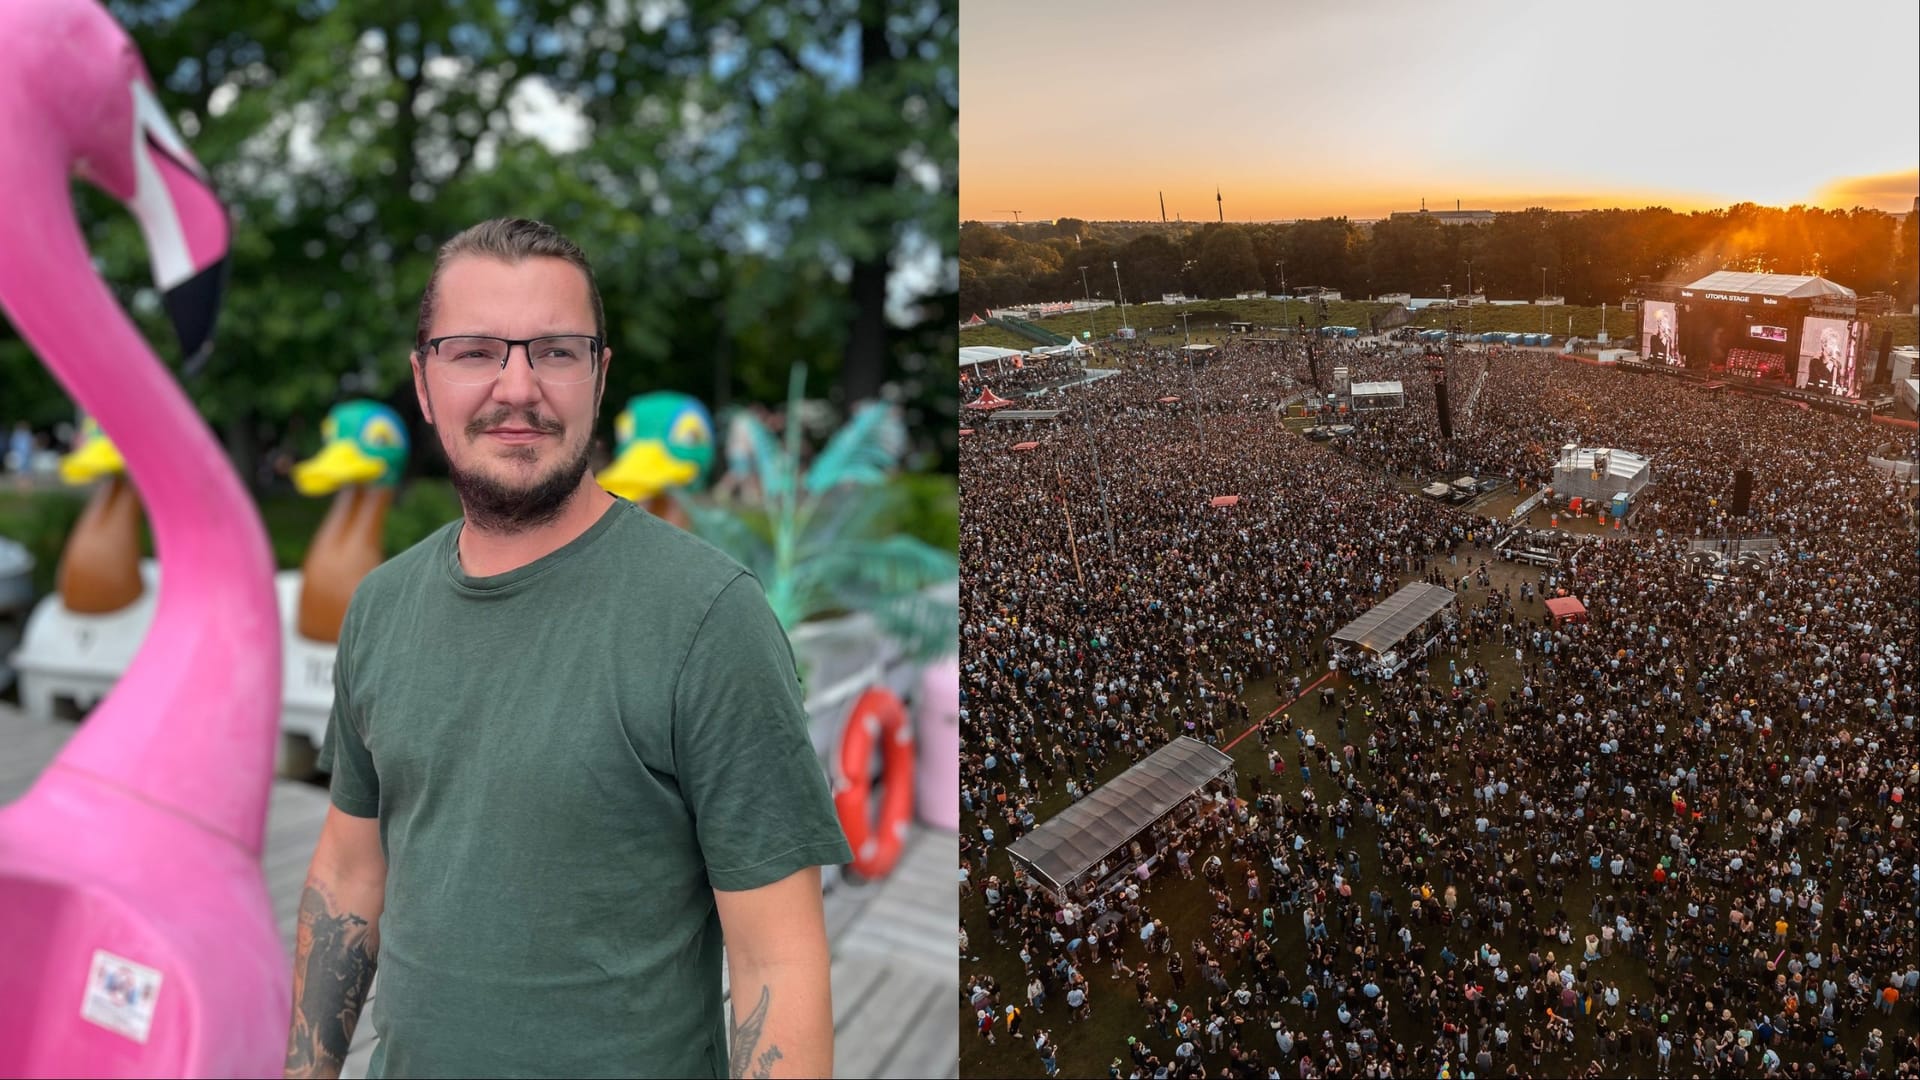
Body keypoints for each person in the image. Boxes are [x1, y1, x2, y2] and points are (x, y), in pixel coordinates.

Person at [285, 219, 849, 1079]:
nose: (519, 387)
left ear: (599, 375)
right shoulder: (380, 605)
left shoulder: (708, 618)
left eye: (554, 351)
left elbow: (778, 961)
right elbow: (349, 874)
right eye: (474, 350)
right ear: (424, 382)